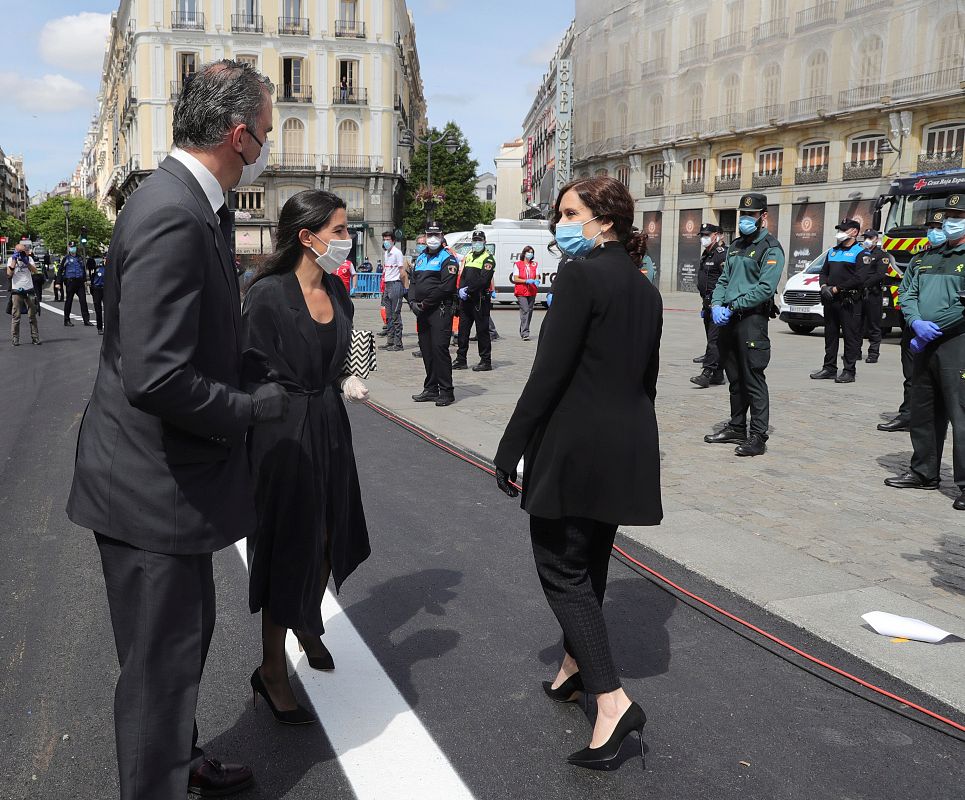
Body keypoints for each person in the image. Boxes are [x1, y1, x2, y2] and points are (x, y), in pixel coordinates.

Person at [67, 59, 286, 799]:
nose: (267, 145)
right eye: (265, 131)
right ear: (237, 136)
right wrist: (249, 409)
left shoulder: (191, 203)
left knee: (182, 646)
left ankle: (179, 760)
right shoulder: (172, 212)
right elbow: (155, 375)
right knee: (159, 670)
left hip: (171, 486)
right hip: (148, 490)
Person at [494, 176, 660, 770]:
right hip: (625, 441)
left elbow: (549, 371)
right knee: (591, 561)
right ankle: (574, 667)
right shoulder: (644, 287)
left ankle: (612, 702)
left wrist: (511, 445)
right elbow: (648, 377)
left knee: (561, 567)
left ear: (604, 221)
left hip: (576, 441)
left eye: (569, 214)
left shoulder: (579, 275)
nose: (559, 224)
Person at [242, 189, 371, 724]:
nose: (347, 240)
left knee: (329, 534)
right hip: (283, 432)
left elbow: (339, 353)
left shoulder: (338, 289)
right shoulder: (267, 294)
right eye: (339, 230)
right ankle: (271, 668)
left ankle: (306, 619)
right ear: (307, 236)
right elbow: (248, 372)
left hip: (329, 424)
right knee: (288, 545)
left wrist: (349, 375)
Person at [885, 195, 965, 510]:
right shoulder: (927, 257)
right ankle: (924, 472)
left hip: (957, 343)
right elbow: (907, 292)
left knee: (961, 414)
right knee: (924, 411)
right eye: (948, 216)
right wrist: (916, 322)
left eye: (958, 217)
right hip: (924, 341)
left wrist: (935, 327)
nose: (950, 222)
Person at [705, 192, 784, 457]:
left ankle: (758, 435)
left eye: (751, 215)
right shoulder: (736, 246)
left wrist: (733, 306)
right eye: (743, 215)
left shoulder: (770, 248)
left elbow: (765, 288)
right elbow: (724, 279)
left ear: (763, 216)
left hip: (751, 320)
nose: (746, 219)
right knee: (735, 378)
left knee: (753, 378)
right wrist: (716, 304)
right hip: (729, 319)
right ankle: (737, 427)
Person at [878, 211, 946, 433]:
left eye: (939, 227)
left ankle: (940, 419)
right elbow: (905, 291)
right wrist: (914, 320)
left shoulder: (957, 259)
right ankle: (908, 415)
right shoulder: (919, 258)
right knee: (912, 374)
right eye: (931, 227)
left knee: (945, 378)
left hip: (945, 330)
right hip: (913, 327)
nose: (933, 232)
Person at [809, 219, 866, 384]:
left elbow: (859, 278)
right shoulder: (833, 251)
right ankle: (829, 368)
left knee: (850, 336)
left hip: (849, 300)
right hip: (831, 300)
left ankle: (849, 371)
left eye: (844, 230)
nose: (840, 233)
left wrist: (836, 289)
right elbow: (823, 272)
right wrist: (823, 286)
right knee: (830, 335)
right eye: (839, 229)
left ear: (854, 232)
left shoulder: (860, 252)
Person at [409, 221, 458, 406]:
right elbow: (413, 282)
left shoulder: (448, 258)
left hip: (439, 310)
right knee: (427, 350)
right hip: (422, 311)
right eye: (430, 235)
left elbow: (446, 286)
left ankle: (446, 391)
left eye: (436, 235)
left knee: (439, 350)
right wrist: (412, 302)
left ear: (442, 235)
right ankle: (431, 388)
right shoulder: (421, 257)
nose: (432, 238)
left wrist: (425, 303)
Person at [453, 230, 496, 371]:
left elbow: (484, 280)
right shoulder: (469, 256)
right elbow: (463, 275)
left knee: (482, 331)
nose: (477, 243)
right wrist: (460, 290)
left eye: (479, 240)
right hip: (466, 300)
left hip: (480, 300)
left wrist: (468, 290)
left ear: (484, 242)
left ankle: (485, 361)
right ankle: (461, 359)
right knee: (463, 330)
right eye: (475, 240)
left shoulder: (488, 258)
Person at [691, 223, 727, 388]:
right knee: (713, 340)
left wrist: (720, 303)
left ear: (716, 235)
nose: (703, 238)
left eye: (707, 235)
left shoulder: (721, 254)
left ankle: (707, 373)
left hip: (717, 304)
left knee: (714, 340)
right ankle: (718, 375)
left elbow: (726, 280)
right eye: (702, 235)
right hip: (706, 303)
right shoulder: (706, 254)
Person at [859, 229, 890, 364]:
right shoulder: (861, 253)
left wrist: (864, 283)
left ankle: (873, 353)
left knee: (874, 325)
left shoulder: (882, 255)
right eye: (865, 237)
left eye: (870, 238)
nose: (867, 240)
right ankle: (855, 351)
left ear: (876, 239)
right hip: (860, 294)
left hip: (873, 293)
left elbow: (880, 274)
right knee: (857, 324)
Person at [7, 244, 41, 346]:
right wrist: (14, 260)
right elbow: (9, 274)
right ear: (15, 251)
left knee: (32, 316)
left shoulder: (29, 259)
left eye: (24, 251)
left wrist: (26, 262)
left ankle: (35, 337)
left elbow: (35, 271)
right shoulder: (11, 259)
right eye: (20, 251)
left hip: (29, 289)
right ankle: (15, 338)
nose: (22, 253)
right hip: (17, 290)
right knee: (16, 316)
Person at [380, 230, 406, 351]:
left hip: (395, 284)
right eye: (384, 239)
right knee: (388, 316)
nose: (386, 242)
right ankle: (390, 341)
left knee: (396, 315)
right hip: (387, 284)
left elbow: (402, 271)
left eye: (388, 239)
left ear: (393, 241)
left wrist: (404, 287)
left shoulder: (397, 253)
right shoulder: (386, 253)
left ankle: (398, 343)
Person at [60, 241, 93, 327]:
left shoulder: (80, 258)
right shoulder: (66, 258)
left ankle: (86, 320)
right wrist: (58, 282)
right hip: (70, 282)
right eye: (71, 247)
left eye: (74, 247)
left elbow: (83, 269)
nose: (73, 248)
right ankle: (67, 320)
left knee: (83, 301)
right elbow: (60, 270)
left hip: (80, 282)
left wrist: (85, 280)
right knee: (69, 301)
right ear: (69, 248)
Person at [511, 244, 540, 340]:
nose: (530, 254)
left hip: (532, 290)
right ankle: (525, 333)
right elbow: (515, 278)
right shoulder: (518, 264)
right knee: (525, 310)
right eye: (528, 252)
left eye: (532, 253)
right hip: (521, 291)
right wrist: (526, 281)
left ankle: (523, 328)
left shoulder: (534, 264)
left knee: (529, 311)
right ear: (524, 253)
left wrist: (536, 281)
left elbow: (537, 276)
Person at [90, 257, 106, 334]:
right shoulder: (97, 268)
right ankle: (99, 328)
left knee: (108, 310)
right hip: (97, 289)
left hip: (107, 290)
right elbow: (92, 279)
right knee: (98, 310)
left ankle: (108, 327)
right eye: (105, 258)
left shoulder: (111, 268)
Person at [32, 250, 46, 314]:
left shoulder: (32, 264)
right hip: (40, 277)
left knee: (36, 288)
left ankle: (37, 298)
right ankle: (40, 298)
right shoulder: (41, 264)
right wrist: (45, 278)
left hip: (34, 277)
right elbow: (44, 270)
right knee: (40, 288)